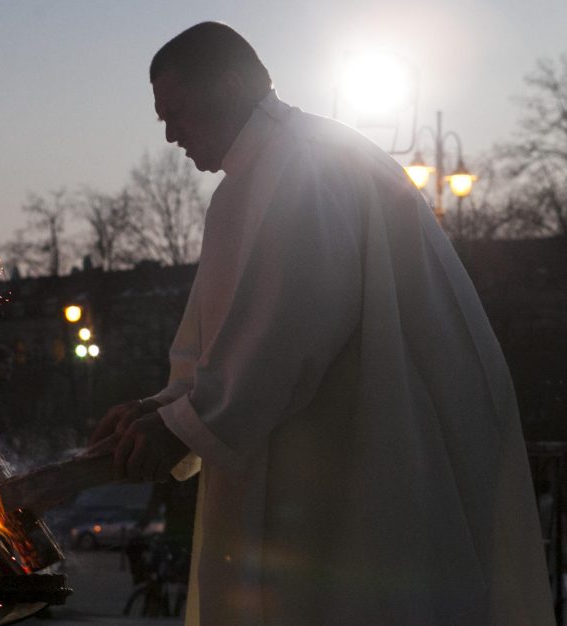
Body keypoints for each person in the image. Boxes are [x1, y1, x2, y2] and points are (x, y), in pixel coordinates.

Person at [90, 21, 553, 624]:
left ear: (229, 84)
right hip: (330, 467)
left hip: (364, 470)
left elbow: (288, 334)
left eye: (177, 112)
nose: (172, 134)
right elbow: (230, 342)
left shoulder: (306, 164)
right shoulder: (269, 173)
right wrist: (160, 406)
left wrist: (183, 423)